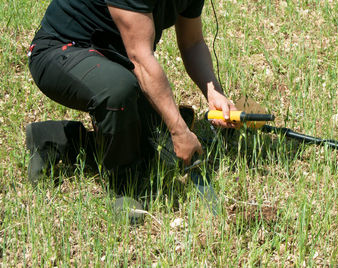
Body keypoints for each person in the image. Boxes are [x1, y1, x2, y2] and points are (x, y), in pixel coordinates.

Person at [26, 0, 237, 221]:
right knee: (119, 91)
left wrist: (214, 93)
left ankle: (56, 139)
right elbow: (140, 58)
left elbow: (192, 43)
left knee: (155, 147)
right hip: (62, 50)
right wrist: (179, 131)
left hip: (117, 58)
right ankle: (125, 187)